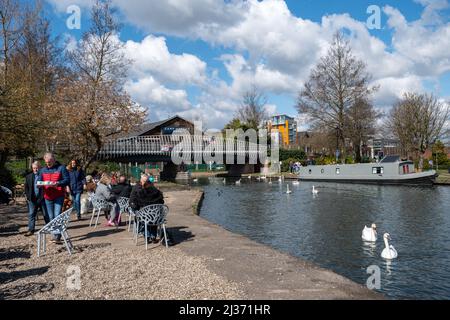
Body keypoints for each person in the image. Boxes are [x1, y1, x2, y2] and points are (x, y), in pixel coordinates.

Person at [37, 152, 70, 244]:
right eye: (47, 162)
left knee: (57, 215)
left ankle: (57, 236)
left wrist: (58, 183)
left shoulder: (61, 168)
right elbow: (39, 181)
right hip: (48, 196)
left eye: (50, 162)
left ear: (54, 160)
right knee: (51, 216)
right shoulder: (42, 170)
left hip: (59, 195)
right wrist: (39, 185)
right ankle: (55, 235)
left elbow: (67, 180)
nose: (48, 164)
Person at [130, 174, 168, 244]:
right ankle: (153, 236)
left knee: (144, 216)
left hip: (145, 216)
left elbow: (136, 203)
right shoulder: (158, 193)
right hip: (156, 218)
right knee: (153, 215)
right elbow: (162, 202)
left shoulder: (140, 194)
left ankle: (146, 236)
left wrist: (135, 207)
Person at [24, 161, 49, 236]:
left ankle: (49, 228)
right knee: (31, 214)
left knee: (46, 214)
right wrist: (28, 197)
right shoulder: (28, 176)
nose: (36, 169)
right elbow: (26, 188)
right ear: (32, 168)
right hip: (32, 199)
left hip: (42, 198)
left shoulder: (44, 176)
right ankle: (31, 230)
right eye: (34, 168)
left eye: (37, 168)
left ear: (40, 168)